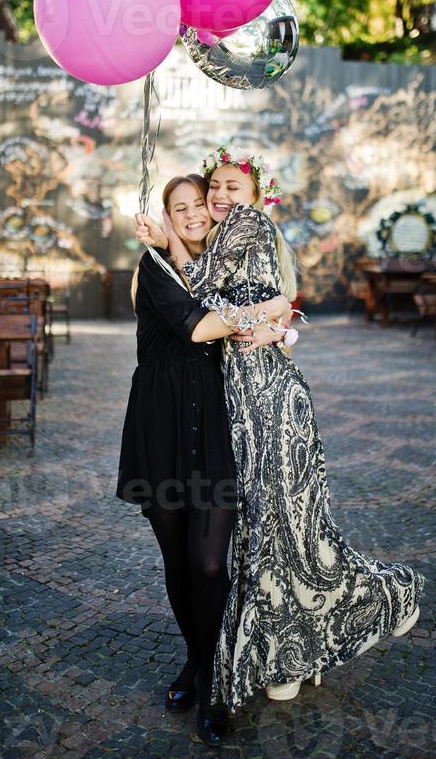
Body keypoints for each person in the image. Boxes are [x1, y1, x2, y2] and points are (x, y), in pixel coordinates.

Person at [145, 147, 427, 714]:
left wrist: (274, 315)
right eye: (213, 188)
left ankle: (371, 604)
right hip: (236, 407)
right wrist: (275, 315)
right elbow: (235, 305)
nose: (220, 199)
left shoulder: (247, 227)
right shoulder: (234, 236)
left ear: (253, 194)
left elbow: (211, 287)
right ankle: (278, 653)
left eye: (230, 188)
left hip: (269, 404)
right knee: (270, 535)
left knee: (287, 530)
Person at [117, 173, 290, 746]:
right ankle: (197, 663)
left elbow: (278, 325)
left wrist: (279, 323)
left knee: (210, 562)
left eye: (199, 205)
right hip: (160, 425)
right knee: (178, 559)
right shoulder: (155, 267)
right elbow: (197, 328)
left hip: (215, 425)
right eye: (179, 207)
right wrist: (263, 311)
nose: (193, 214)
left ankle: (216, 682)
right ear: (166, 216)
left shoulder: (224, 263)